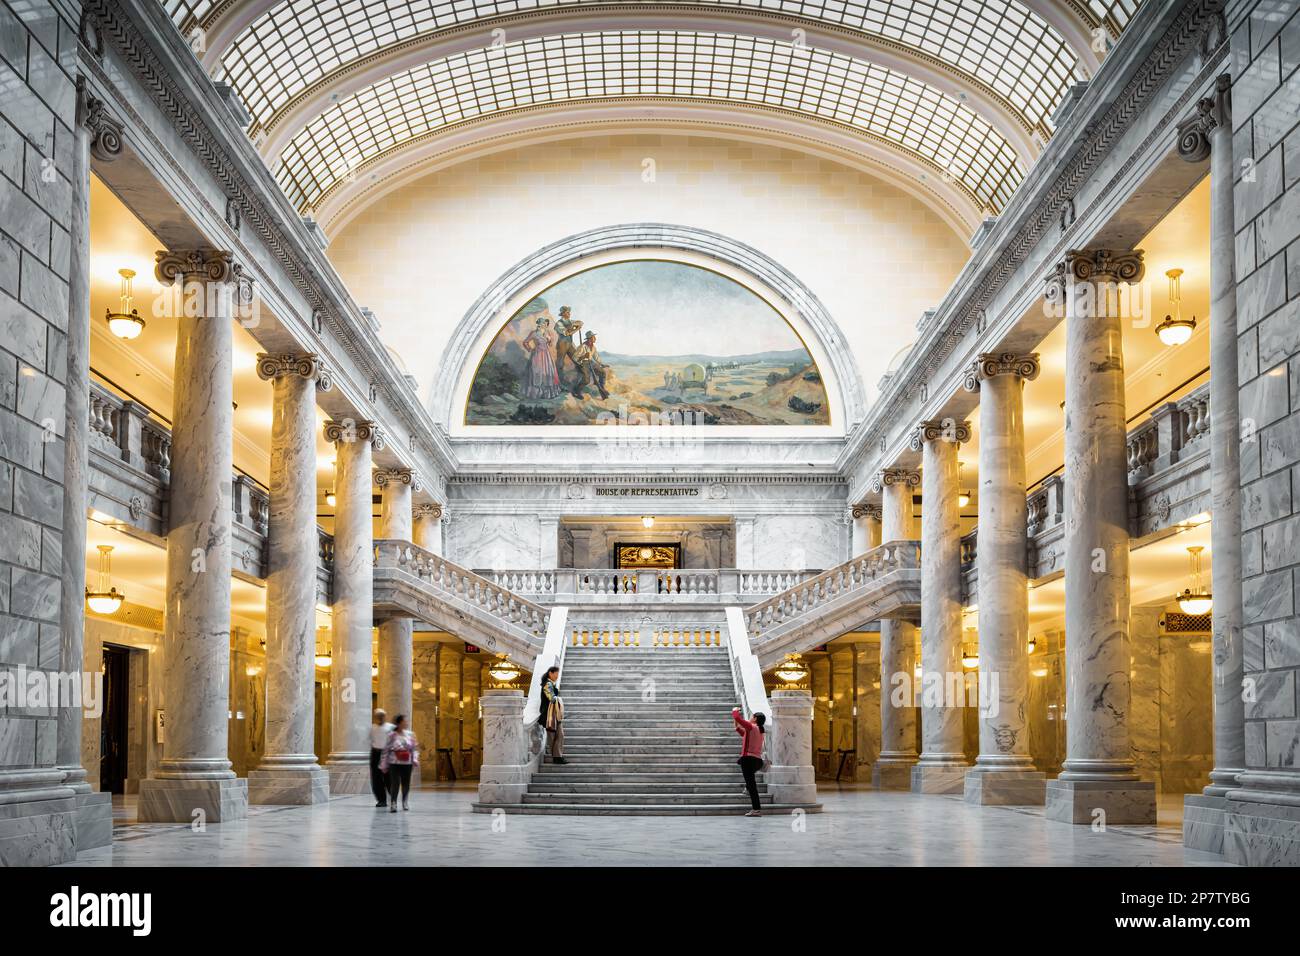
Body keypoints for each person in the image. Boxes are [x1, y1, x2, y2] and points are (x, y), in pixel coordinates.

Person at [379, 714, 419, 812]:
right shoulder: (391, 735)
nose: (406, 723)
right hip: (394, 762)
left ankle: (405, 802)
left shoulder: (410, 734)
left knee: (406, 783)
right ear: (399, 723)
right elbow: (386, 749)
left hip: (407, 762)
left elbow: (414, 748)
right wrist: (384, 763)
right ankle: (393, 803)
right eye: (404, 721)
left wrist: (415, 759)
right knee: (395, 783)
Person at [732, 707, 766, 817]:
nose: (750, 718)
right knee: (750, 782)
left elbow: (737, 717)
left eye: (752, 717)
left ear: (755, 719)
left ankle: (756, 809)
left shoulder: (751, 727)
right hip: (757, 761)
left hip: (748, 760)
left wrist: (735, 710)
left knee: (752, 786)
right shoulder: (759, 730)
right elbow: (740, 731)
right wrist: (736, 724)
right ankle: (747, 787)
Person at [522, 315, 561, 399]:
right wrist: (530, 349)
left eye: (543, 324)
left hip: (546, 355)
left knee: (548, 372)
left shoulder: (546, 333)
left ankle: (547, 394)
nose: (542, 325)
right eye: (541, 324)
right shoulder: (534, 333)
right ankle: (536, 394)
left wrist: (550, 340)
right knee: (537, 371)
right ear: (539, 324)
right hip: (538, 355)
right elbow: (525, 342)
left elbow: (550, 345)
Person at [571, 330, 610, 400]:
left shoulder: (593, 347)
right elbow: (574, 357)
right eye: (593, 337)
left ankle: (602, 388)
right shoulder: (582, 347)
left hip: (590, 362)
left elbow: (596, 357)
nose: (595, 338)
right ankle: (576, 391)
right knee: (586, 380)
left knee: (602, 372)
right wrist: (583, 357)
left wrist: (601, 364)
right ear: (590, 338)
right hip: (583, 363)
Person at [541, 666, 566, 764]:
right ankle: (557, 757)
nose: (557, 676)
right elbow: (551, 698)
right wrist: (558, 699)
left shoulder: (550, 683)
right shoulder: (548, 684)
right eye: (556, 674)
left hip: (554, 713)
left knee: (558, 735)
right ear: (550, 673)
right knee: (556, 736)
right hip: (550, 715)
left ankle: (558, 757)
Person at [369, 708, 393, 808]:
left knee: (388, 777)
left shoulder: (391, 727)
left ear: (385, 716)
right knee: (376, 778)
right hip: (375, 754)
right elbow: (369, 740)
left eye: (382, 715)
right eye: (378, 716)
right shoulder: (372, 727)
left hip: (387, 754)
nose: (380, 717)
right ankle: (381, 800)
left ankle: (393, 797)